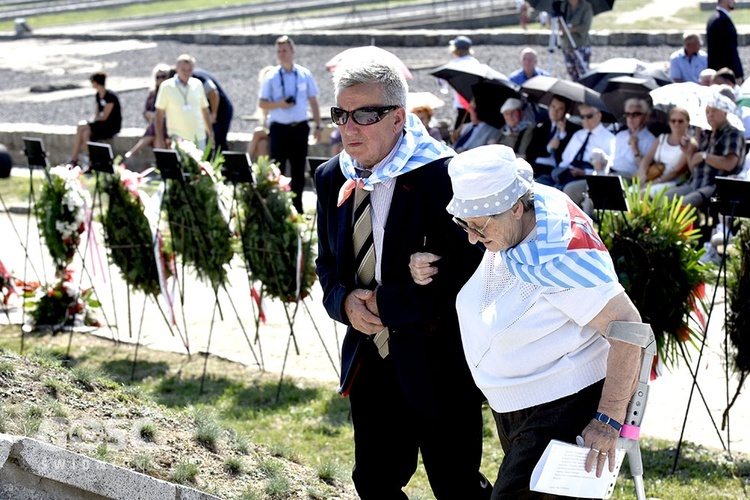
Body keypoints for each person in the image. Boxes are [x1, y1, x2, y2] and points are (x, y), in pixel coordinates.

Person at [409, 144, 643, 498]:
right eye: (464, 224)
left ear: (516, 208)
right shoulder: (518, 217)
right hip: (519, 405)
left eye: (478, 226)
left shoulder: (562, 254)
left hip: (561, 404)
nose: (471, 237)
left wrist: (609, 419)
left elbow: (629, 327)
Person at [315, 53, 492, 499]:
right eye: (340, 114)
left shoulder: (444, 175)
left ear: (398, 118)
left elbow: (468, 275)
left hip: (439, 363)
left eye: (364, 115)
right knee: (373, 482)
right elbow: (326, 265)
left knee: (457, 486)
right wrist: (343, 303)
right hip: (370, 357)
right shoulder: (330, 175)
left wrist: (387, 302)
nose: (348, 127)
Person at [259, 35, 323, 214]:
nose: (281, 54)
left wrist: (318, 125)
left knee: (298, 171)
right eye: (279, 51)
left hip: (300, 128)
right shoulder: (271, 76)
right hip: (279, 128)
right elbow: (262, 103)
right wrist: (280, 103)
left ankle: (298, 210)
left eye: (285, 50)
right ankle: (277, 208)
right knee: (277, 170)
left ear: (292, 51)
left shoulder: (304, 74)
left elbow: (313, 101)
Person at [663, 89, 744, 210]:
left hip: (715, 188)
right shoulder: (707, 135)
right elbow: (693, 167)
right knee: (664, 198)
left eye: (714, 111)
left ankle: (691, 229)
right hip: (695, 183)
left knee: (684, 205)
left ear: (724, 112)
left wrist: (704, 156)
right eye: (707, 111)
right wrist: (689, 153)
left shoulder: (732, 133)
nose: (710, 115)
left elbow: (729, 164)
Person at [537, 104, 614, 190]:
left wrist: (585, 172)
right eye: (582, 117)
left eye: (589, 116)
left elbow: (607, 167)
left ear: (599, 115)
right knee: (540, 182)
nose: (585, 120)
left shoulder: (609, 138)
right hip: (568, 172)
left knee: (567, 189)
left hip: (587, 175)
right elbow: (565, 158)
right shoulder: (578, 135)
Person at [154, 54, 213, 150]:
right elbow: (159, 114)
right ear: (177, 69)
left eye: (189, 70)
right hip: (178, 138)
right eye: (183, 70)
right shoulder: (166, 86)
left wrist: (210, 133)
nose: (186, 73)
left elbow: (204, 110)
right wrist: (160, 139)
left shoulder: (197, 84)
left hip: (199, 137)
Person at [636, 107, 691, 197]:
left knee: (642, 195)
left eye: (680, 121)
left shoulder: (690, 143)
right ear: (669, 123)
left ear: (687, 123)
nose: (676, 124)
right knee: (628, 192)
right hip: (652, 177)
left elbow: (677, 170)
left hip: (673, 182)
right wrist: (642, 175)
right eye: (673, 121)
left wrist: (656, 182)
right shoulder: (662, 138)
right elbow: (647, 159)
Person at [70, 72, 121, 167]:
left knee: (81, 126)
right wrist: (92, 121)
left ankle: (74, 158)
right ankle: (92, 161)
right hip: (100, 124)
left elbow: (104, 117)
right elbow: (97, 113)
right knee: (85, 134)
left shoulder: (110, 97)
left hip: (109, 126)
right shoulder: (98, 95)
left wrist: (90, 124)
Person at [525, 94, 581, 178]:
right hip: (536, 167)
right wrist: (548, 148)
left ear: (566, 111)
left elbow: (568, 158)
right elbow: (530, 153)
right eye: (553, 107)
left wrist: (563, 136)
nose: (555, 111)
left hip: (556, 170)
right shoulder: (541, 128)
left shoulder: (573, 130)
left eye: (560, 109)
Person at [125, 63, 170, 161]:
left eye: (163, 76)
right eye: (158, 77)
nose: (160, 79)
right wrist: (149, 114)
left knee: (156, 126)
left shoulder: (170, 92)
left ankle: (134, 152)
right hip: (157, 126)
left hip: (168, 123)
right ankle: (161, 161)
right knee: (156, 131)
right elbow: (146, 111)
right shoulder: (153, 93)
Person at [192, 67, 234, 153]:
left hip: (221, 110)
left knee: (218, 140)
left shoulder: (197, 77)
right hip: (209, 111)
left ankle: (223, 164)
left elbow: (213, 92)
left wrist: (213, 114)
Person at [446, 35, 479, 140]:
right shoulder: (475, 63)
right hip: (474, 102)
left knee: (459, 132)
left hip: (462, 104)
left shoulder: (453, 64)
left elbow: (442, 83)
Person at [706, 0, 743, 84]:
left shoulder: (713, 18)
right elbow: (730, 51)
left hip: (717, 72)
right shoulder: (723, 21)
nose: (735, 1)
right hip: (725, 76)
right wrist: (737, 74)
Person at [560, 0, 593, 81]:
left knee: (583, 73)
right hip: (567, 45)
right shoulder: (564, 6)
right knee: (571, 74)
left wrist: (571, 29)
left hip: (581, 44)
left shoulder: (586, 7)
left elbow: (585, 26)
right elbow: (560, 23)